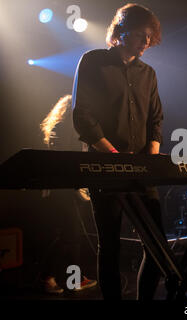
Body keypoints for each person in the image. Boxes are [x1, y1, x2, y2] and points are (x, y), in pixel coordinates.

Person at [72, 3, 164, 300]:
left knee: (157, 244)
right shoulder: (93, 61)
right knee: (109, 243)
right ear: (121, 32)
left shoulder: (148, 73)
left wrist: (152, 151)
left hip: (141, 168)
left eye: (150, 37)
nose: (146, 42)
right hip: (105, 166)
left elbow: (156, 118)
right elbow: (82, 114)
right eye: (141, 35)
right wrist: (111, 153)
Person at [39, 95, 97, 294]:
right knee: (71, 237)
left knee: (66, 237)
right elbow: (66, 159)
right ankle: (72, 280)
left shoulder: (63, 127)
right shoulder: (66, 128)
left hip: (64, 188)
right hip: (62, 188)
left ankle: (48, 277)